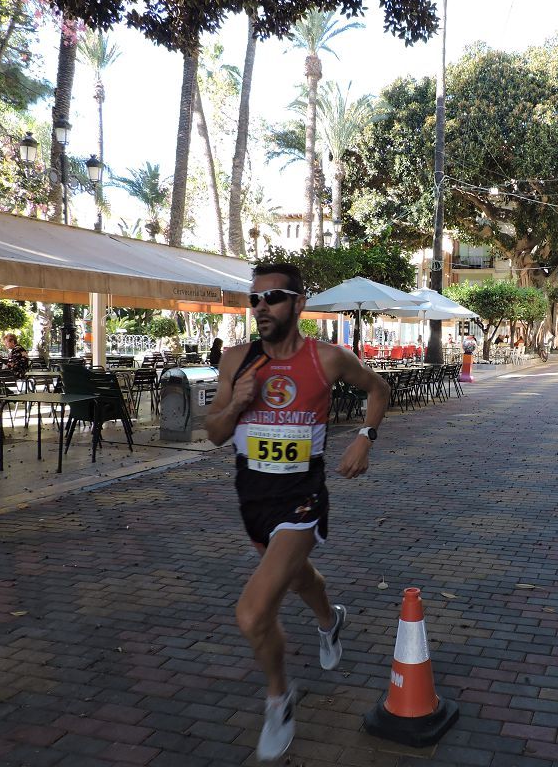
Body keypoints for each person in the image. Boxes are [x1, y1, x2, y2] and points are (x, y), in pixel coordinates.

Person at [205, 262, 391, 761]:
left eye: (274, 298)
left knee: (252, 612)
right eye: (255, 300)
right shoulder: (235, 361)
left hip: (303, 495)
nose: (261, 308)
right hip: (253, 496)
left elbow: (379, 390)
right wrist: (237, 403)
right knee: (295, 577)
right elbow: (215, 432)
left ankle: (278, 696)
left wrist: (364, 439)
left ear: (299, 304)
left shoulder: (328, 358)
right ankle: (331, 620)